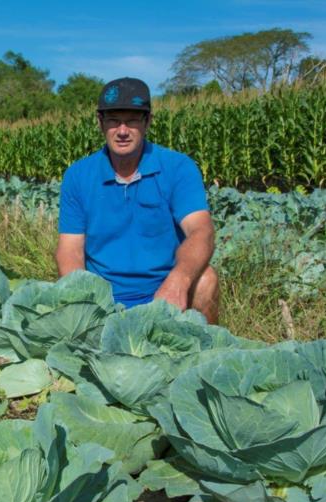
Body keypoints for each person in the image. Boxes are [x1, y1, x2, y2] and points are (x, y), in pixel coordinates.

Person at [55, 77, 219, 322]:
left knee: (206, 279)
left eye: (132, 121)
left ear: (148, 122)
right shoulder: (78, 175)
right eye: (113, 121)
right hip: (105, 295)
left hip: (164, 292)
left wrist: (178, 281)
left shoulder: (178, 168)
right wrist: (85, 301)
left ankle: (206, 353)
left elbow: (201, 231)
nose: (122, 131)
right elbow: (70, 250)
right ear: (100, 123)